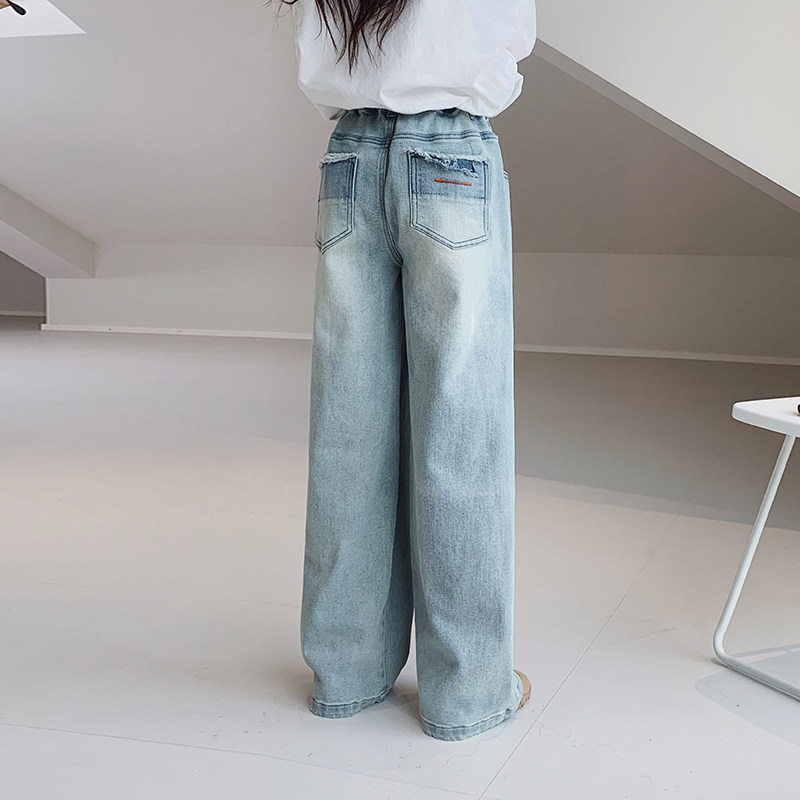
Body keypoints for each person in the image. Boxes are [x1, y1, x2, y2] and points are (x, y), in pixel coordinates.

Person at [272, 0, 537, 741]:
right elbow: (508, 44)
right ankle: (468, 691)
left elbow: (319, 66)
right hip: (451, 150)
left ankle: (347, 672)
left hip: (350, 155)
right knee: (461, 430)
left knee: (348, 427)